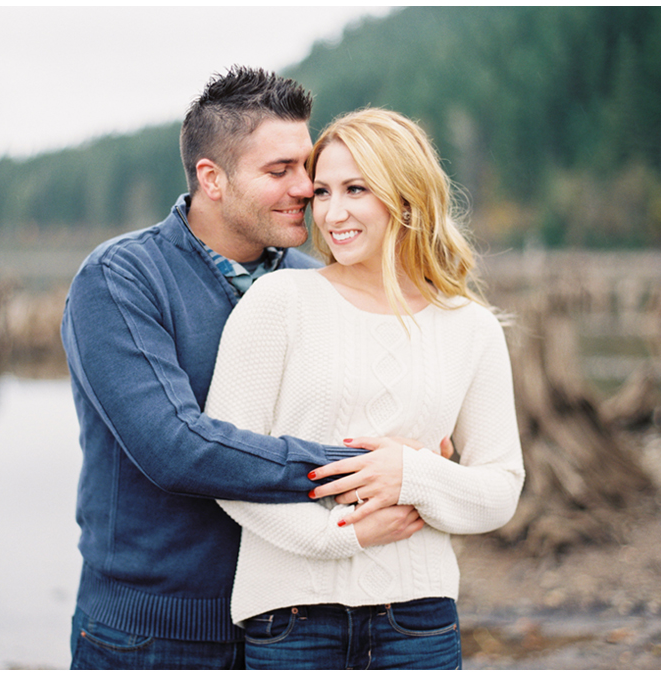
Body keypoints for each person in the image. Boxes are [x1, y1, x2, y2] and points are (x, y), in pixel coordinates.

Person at [61, 68, 427, 670]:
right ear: (212, 179)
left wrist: (420, 458)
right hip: (151, 636)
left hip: (301, 626)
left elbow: (382, 417)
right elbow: (175, 448)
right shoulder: (121, 280)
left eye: (306, 167)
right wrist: (359, 468)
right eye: (279, 171)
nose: (307, 188)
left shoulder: (317, 283)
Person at [205, 108, 525, 669]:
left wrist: (412, 475)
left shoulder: (469, 326)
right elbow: (225, 469)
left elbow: (500, 491)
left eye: (356, 189)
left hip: (418, 618)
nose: (333, 212)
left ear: (405, 197)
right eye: (323, 192)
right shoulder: (279, 302)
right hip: (292, 618)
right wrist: (340, 537)